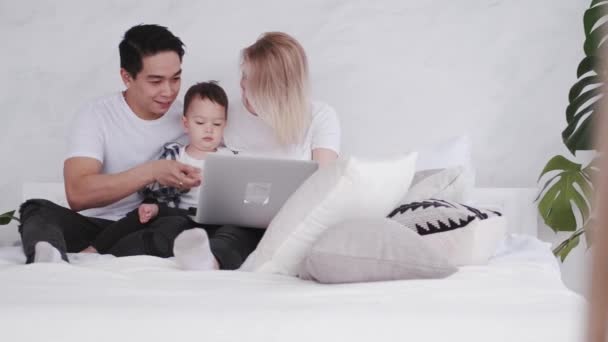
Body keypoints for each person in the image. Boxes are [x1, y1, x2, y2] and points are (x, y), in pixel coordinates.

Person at [17, 24, 202, 263]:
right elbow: (78, 194)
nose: (169, 91)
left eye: (175, 79)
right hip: (94, 226)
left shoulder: (188, 120)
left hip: (148, 224)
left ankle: (116, 252)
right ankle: (50, 258)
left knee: (177, 223)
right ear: (127, 77)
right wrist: (152, 171)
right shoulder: (96, 115)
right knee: (37, 209)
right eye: (156, 81)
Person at [172, 31, 341, 270]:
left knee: (260, 234)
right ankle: (206, 258)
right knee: (231, 229)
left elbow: (324, 183)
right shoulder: (227, 113)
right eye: (243, 75)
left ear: (274, 88)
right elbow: (209, 161)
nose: (242, 84)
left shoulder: (320, 117)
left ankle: (212, 259)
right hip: (234, 219)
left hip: (290, 221)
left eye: (250, 80)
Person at [81, 82, 235, 263]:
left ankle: (205, 256)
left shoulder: (230, 158)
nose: (209, 129)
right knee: (138, 216)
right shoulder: (174, 154)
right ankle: (92, 249)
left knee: (229, 232)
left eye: (217, 124)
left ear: (225, 125)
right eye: (200, 122)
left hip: (211, 218)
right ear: (186, 124)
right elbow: (153, 188)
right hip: (174, 212)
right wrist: (163, 195)